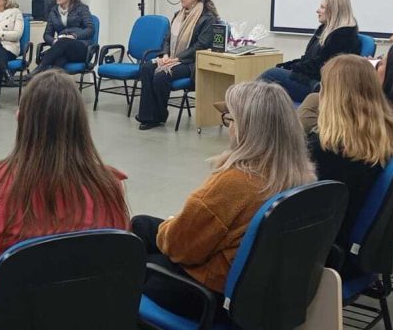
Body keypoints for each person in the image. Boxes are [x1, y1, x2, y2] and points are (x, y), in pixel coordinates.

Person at [0, 71, 129, 330]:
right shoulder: (109, 187)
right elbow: (114, 262)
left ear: (21, 119)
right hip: (78, 318)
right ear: (80, 124)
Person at [131, 81, 316, 322]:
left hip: (212, 296)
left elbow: (180, 250)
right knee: (142, 225)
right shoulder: (300, 175)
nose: (229, 127)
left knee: (133, 258)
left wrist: (171, 225)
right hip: (261, 292)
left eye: (231, 120)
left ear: (248, 129)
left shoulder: (235, 183)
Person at [305, 55, 393, 249]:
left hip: (326, 246)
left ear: (330, 95)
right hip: (361, 240)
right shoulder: (387, 134)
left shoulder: (327, 149)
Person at [135, 0, 218, 129]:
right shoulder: (178, 15)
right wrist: (165, 55)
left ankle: (159, 116)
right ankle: (147, 116)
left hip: (190, 63)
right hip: (173, 58)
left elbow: (200, 46)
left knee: (161, 76)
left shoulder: (207, 18)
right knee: (146, 68)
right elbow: (167, 39)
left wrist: (177, 58)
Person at [259, 0, 360, 101]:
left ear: (334, 11)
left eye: (322, 7)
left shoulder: (343, 37)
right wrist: (289, 65)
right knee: (273, 78)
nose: (317, 11)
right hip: (310, 79)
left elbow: (325, 67)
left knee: (270, 75)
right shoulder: (324, 30)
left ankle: (251, 107)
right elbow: (309, 59)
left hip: (322, 86)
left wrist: (295, 68)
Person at [35, 0, 94, 73]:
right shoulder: (53, 12)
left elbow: (90, 29)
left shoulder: (82, 9)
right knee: (59, 60)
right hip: (62, 48)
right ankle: (52, 78)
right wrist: (54, 41)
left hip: (81, 48)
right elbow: (47, 35)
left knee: (63, 42)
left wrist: (74, 36)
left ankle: (38, 70)